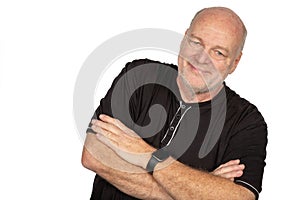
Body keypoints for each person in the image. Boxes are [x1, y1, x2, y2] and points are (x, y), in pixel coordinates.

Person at [82, 6, 267, 200]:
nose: (202, 59)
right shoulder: (139, 76)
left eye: (218, 53)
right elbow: (93, 154)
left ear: (235, 63)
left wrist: (146, 154)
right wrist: (195, 192)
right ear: (184, 38)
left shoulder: (246, 122)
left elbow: (239, 197)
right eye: (196, 42)